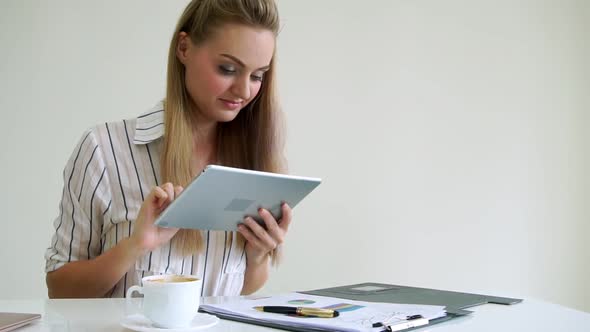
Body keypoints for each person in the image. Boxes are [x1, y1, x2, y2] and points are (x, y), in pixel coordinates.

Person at [44, 0, 292, 298]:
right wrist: (136, 245)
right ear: (184, 48)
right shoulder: (104, 149)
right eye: (228, 69)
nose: (244, 91)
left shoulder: (255, 160)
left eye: (257, 75)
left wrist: (258, 255)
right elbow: (60, 290)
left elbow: (238, 288)